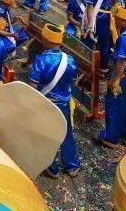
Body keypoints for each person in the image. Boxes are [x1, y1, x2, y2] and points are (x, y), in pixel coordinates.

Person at [29, 22, 80, 178]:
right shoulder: (70, 60)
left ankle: (52, 168)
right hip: (63, 104)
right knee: (66, 133)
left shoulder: (41, 60)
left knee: (46, 135)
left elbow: (32, 87)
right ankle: (72, 166)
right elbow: (75, 82)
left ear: (46, 40)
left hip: (46, 104)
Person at [97, 5, 126, 149]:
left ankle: (110, 138)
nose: (115, 21)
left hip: (123, 78)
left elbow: (121, 61)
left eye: (117, 19)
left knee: (114, 105)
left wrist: (114, 80)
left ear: (123, 19)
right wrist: (113, 30)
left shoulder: (125, 39)